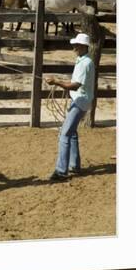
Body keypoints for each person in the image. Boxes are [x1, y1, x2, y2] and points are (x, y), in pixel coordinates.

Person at [46, 33, 95, 181]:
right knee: (71, 133)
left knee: (64, 134)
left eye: (77, 45)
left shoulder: (85, 63)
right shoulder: (83, 60)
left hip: (80, 101)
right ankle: (75, 165)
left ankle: (61, 171)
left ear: (83, 46)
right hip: (81, 100)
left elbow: (74, 86)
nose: (74, 48)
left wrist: (56, 82)